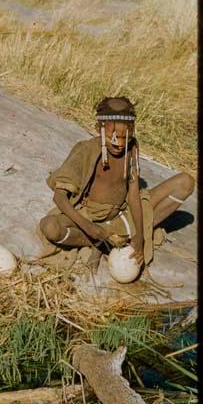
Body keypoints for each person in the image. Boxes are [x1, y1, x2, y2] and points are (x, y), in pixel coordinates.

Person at [37, 97, 194, 273]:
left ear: (132, 132)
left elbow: (133, 195)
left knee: (185, 182)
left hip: (121, 214)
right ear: (99, 129)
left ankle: (119, 237)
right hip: (89, 216)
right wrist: (89, 227)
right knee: (50, 227)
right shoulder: (86, 150)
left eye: (124, 138)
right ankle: (97, 242)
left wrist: (140, 236)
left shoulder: (132, 147)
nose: (119, 144)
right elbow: (59, 197)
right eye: (113, 138)